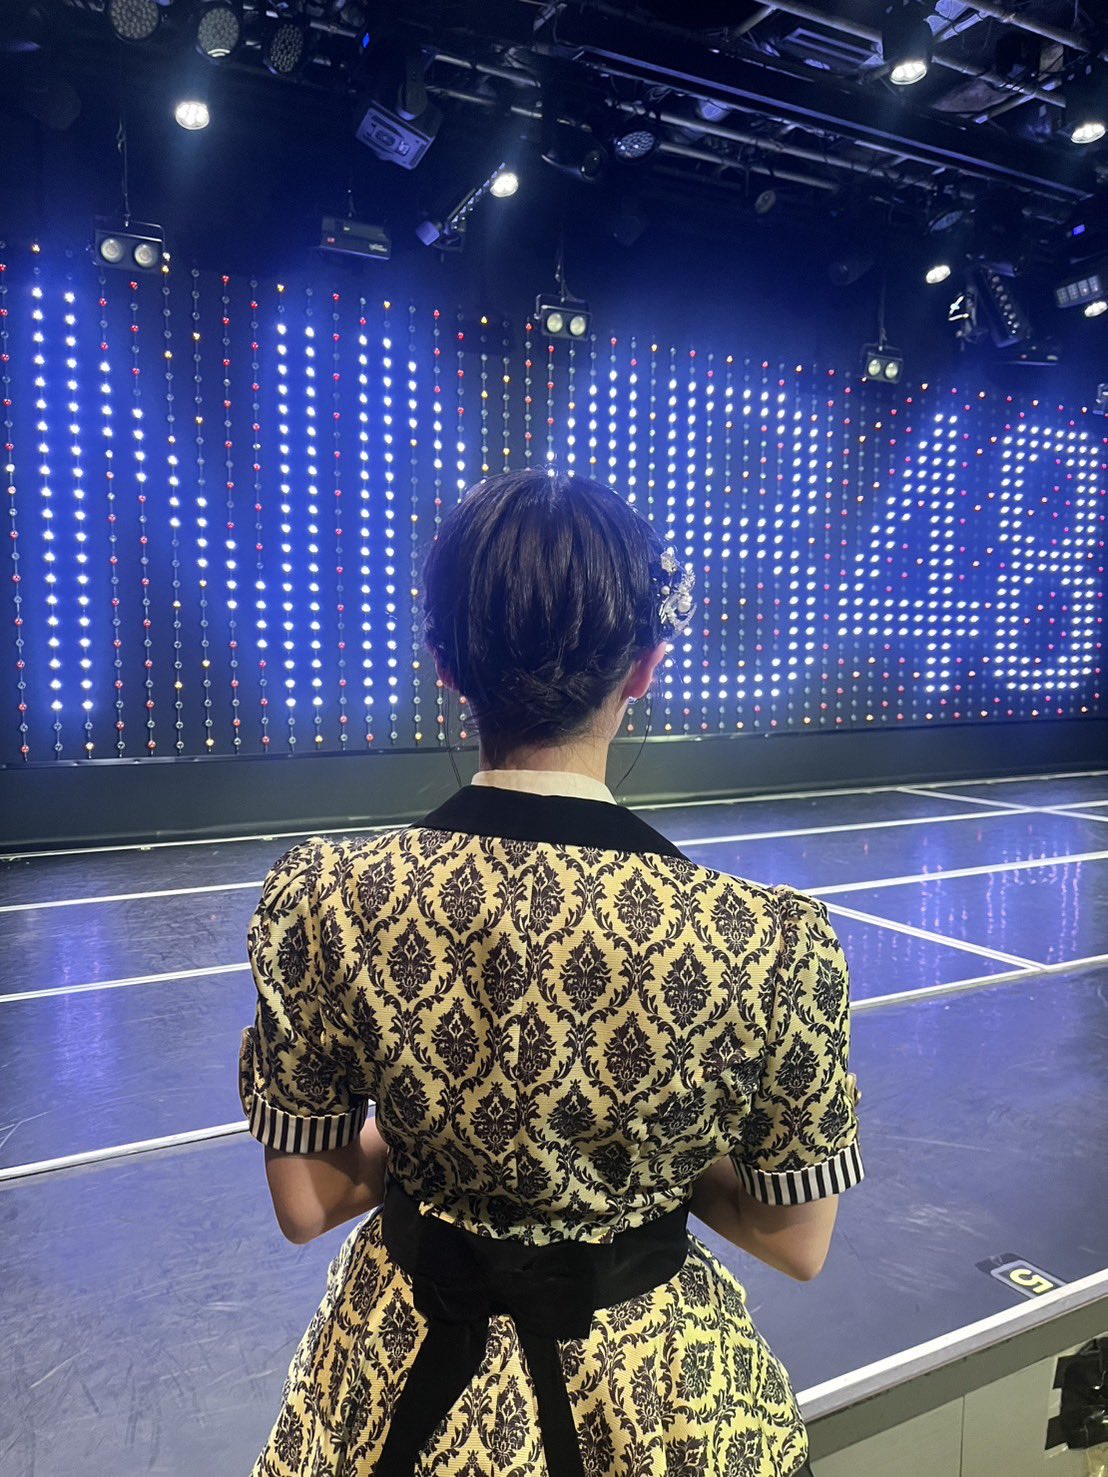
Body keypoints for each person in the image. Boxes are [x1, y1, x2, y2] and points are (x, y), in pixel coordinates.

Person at [239, 469, 864, 1477]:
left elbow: (308, 1202)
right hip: (655, 1396)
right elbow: (796, 1240)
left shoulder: (322, 900)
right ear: (644, 667)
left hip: (398, 1367)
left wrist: (462, 1137)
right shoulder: (770, 940)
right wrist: (633, 1154)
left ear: (447, 666)